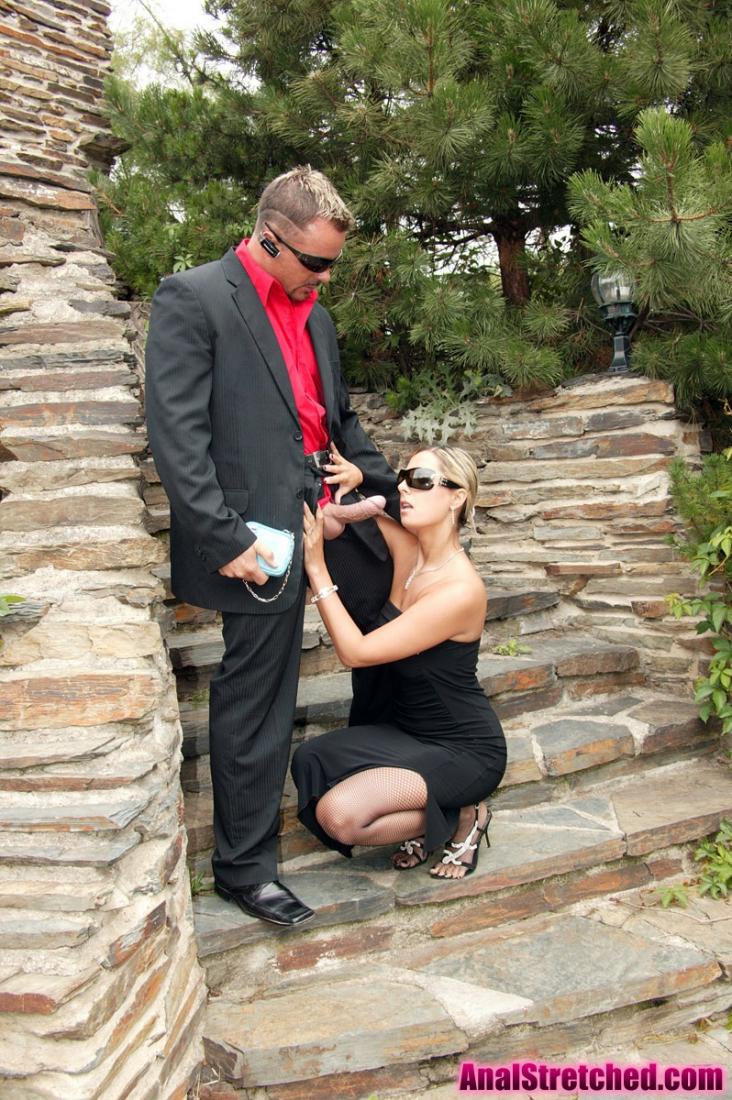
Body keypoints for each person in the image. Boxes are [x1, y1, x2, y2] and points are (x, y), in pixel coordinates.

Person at [145, 166, 397, 926]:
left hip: (334, 518)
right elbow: (177, 434)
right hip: (258, 542)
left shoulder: (317, 314)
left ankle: (426, 792)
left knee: (408, 642)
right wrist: (221, 535)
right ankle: (244, 870)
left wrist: (379, 484)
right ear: (268, 238)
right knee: (257, 706)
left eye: (333, 264)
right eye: (316, 262)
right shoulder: (194, 297)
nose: (326, 278)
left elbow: (336, 418)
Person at [292, 446, 507, 878]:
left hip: (465, 748)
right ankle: (439, 812)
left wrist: (317, 570)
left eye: (422, 481)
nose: (405, 488)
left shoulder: (460, 590)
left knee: (341, 816)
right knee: (309, 760)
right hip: (406, 732)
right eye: (404, 478)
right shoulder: (409, 551)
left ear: (457, 496)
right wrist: (358, 480)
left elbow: (355, 652)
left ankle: (463, 816)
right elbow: (356, 511)